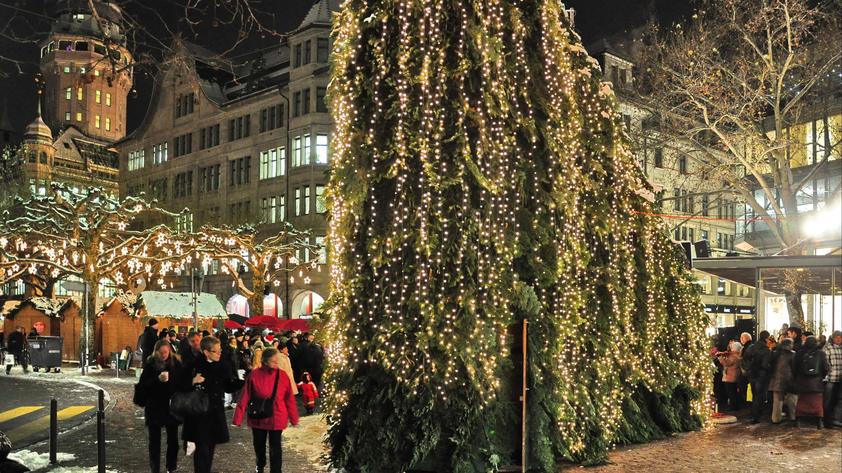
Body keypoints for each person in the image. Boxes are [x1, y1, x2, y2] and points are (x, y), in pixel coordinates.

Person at [180, 336, 243, 473]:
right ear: (206, 352)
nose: (220, 354)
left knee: (210, 447)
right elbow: (179, 386)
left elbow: (227, 386)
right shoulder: (194, 365)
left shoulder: (223, 365)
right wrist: (192, 382)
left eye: (220, 351)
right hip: (199, 412)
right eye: (216, 351)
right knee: (202, 448)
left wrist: (242, 382)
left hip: (215, 411)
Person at [233, 348, 299, 473]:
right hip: (259, 416)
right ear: (265, 361)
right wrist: (237, 417)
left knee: (276, 447)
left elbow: (289, 398)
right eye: (273, 361)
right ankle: (260, 464)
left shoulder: (283, 375)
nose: (276, 364)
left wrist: (294, 418)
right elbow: (245, 396)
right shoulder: (254, 375)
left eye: (277, 361)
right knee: (259, 445)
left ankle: (276, 470)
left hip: (277, 416)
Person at [139, 340, 183, 473]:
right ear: (156, 351)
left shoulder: (176, 363)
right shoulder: (150, 365)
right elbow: (143, 385)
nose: (164, 354)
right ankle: (155, 469)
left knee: (173, 441)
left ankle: (171, 467)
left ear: (170, 350)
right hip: (154, 407)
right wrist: (157, 380)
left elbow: (181, 383)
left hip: (171, 407)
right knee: (154, 442)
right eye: (161, 352)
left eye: (166, 351)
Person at [793, 335, 830, 428]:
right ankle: (819, 422)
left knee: (801, 402)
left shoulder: (799, 353)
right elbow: (826, 368)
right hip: (816, 383)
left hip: (802, 382)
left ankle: (798, 421)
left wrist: (797, 377)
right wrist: (821, 377)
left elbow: (794, 367)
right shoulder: (821, 353)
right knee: (817, 402)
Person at [743, 331, 771, 423]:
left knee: (754, 394)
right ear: (766, 338)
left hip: (752, 374)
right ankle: (757, 416)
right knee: (760, 395)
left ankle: (754, 414)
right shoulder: (766, 349)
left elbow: (745, 359)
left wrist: (748, 369)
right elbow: (765, 364)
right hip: (761, 375)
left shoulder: (751, 347)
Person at [767, 338, 797, 424]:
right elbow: (794, 368)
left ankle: (776, 419)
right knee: (792, 399)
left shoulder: (775, 353)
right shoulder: (793, 354)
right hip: (789, 380)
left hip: (775, 380)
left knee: (777, 401)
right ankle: (793, 416)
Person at [717, 340, 742, 411]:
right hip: (734, 376)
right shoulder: (738, 355)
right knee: (733, 392)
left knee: (731, 392)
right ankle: (735, 406)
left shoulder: (733, 356)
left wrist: (720, 357)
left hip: (730, 377)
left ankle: (733, 407)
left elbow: (726, 363)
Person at [824, 330, 842, 427]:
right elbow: (825, 362)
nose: (838, 339)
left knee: (838, 400)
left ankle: (835, 419)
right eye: (836, 337)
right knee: (828, 400)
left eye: (840, 337)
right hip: (831, 379)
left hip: (841, 379)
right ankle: (825, 419)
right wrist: (829, 371)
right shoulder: (828, 348)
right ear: (833, 338)